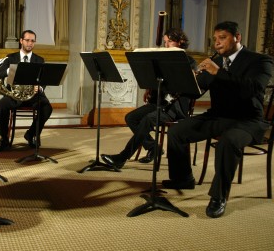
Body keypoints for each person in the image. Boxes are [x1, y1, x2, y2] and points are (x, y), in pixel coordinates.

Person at [162, 21, 273, 218]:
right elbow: (196, 91)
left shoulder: (260, 61)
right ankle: (183, 178)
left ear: (237, 38)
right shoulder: (216, 60)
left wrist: (218, 72)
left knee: (228, 142)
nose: (217, 43)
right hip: (218, 116)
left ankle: (219, 197)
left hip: (247, 120)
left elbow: (253, 89)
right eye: (215, 39)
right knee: (177, 131)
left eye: (222, 38)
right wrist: (185, 80)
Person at [101, 28, 197, 169]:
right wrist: (150, 87)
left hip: (175, 107)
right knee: (131, 118)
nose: (166, 45)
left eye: (170, 42)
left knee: (147, 119)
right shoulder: (163, 59)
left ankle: (122, 157)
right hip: (160, 103)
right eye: (165, 42)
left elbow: (188, 87)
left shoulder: (189, 61)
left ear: (180, 42)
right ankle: (153, 147)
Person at [0, 29, 53, 152]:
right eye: (27, 40)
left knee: (47, 107)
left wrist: (40, 87)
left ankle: (31, 134)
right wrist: (11, 69)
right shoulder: (10, 58)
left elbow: (43, 79)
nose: (30, 43)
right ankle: (4, 138)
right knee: (2, 104)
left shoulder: (39, 60)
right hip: (15, 96)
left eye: (32, 41)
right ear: (21, 41)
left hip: (33, 96)